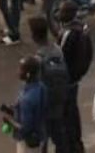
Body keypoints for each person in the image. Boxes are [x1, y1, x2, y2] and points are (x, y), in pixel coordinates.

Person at [57, 0, 93, 150]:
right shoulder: (82, 28)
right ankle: (76, 143)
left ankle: (72, 145)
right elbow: (89, 53)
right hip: (76, 77)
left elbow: (59, 56)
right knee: (72, 111)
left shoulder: (69, 33)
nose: (59, 13)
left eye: (62, 11)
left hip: (68, 79)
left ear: (69, 14)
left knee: (66, 114)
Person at [28, 16, 68, 150]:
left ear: (34, 36)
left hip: (45, 105)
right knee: (59, 137)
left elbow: (35, 86)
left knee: (43, 139)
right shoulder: (57, 49)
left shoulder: (38, 59)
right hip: (59, 100)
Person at [8, 57, 48, 151]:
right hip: (40, 135)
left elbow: (25, 128)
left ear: (28, 74)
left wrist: (10, 122)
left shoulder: (26, 100)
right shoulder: (41, 87)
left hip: (27, 142)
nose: (18, 72)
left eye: (21, 69)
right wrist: (16, 109)